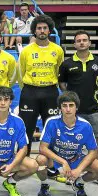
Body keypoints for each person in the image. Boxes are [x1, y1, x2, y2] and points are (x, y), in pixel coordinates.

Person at [58, 30, 98, 187]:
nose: (81, 42)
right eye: (78, 40)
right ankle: (72, 173)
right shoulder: (67, 64)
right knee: (71, 142)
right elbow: (62, 85)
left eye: (84, 40)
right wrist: (73, 101)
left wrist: (91, 95)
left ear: (89, 43)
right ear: (74, 44)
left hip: (94, 108)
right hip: (74, 111)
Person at [35, 91, 98, 196]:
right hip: (55, 160)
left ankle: (79, 183)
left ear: (76, 107)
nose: (68, 109)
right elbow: (42, 147)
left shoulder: (85, 126)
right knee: (40, 159)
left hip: (75, 159)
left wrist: (79, 170)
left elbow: (93, 152)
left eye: (71, 105)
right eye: (64, 106)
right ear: (60, 108)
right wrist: (63, 162)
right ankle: (45, 184)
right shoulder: (52, 122)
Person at [18, 15, 64, 182]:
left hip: (50, 92)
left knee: (51, 129)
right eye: (39, 28)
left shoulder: (57, 50)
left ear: (49, 30)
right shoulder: (26, 51)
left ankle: (51, 166)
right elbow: (21, 73)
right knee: (26, 129)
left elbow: (60, 71)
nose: (42, 31)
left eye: (45, 28)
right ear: (34, 30)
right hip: (30, 92)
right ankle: (24, 162)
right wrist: (30, 89)